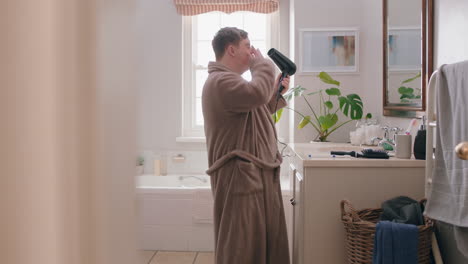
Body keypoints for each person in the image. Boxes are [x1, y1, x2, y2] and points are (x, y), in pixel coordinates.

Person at [202, 27, 291, 264]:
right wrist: (263, 66)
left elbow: (255, 111)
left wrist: (275, 93)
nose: (253, 52)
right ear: (231, 49)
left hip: (253, 172)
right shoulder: (220, 81)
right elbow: (254, 95)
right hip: (239, 177)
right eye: (247, 46)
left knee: (258, 242)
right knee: (241, 245)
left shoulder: (232, 83)